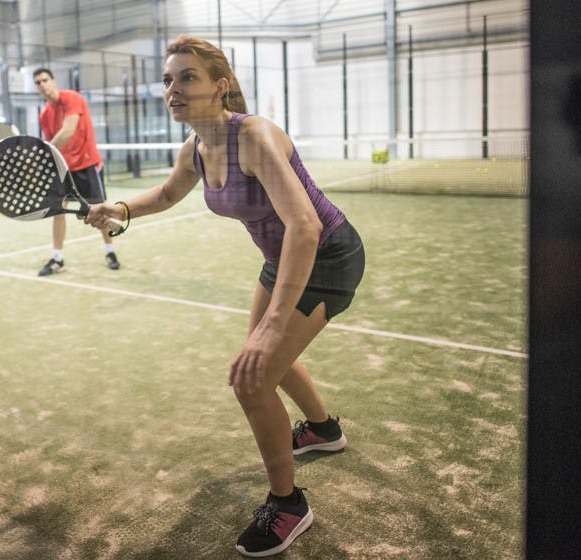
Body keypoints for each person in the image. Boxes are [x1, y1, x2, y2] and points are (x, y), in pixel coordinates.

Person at [84, 36, 365, 557]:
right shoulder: (194, 147)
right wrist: (119, 209)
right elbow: (168, 194)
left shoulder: (253, 136)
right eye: (168, 79)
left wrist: (277, 323)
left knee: (253, 376)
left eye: (187, 78)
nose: (174, 89)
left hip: (325, 256)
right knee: (261, 360)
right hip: (282, 258)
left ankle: (289, 505)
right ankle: (323, 430)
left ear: (221, 86)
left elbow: (303, 227)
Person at [33, 67, 121, 276]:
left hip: (87, 164)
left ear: (53, 81)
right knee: (58, 211)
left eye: (45, 80)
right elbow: (54, 146)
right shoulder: (45, 114)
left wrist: (44, 151)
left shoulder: (72, 98)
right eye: (38, 83)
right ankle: (57, 258)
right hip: (64, 169)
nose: (42, 85)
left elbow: (68, 132)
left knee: (98, 210)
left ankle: (110, 252)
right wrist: (47, 161)